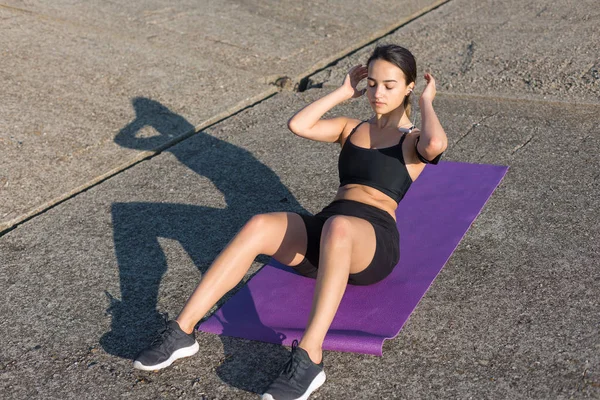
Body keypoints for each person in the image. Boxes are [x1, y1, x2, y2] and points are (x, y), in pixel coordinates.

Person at [132, 44, 448, 400]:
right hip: (329, 228)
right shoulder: (350, 127)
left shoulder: (413, 140)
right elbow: (299, 124)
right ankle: (182, 330)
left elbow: (436, 143)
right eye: (372, 83)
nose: (377, 93)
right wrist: (343, 92)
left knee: (339, 228)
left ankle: (310, 357)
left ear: (408, 87)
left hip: (372, 243)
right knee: (259, 225)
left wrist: (426, 101)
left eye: (390, 85)